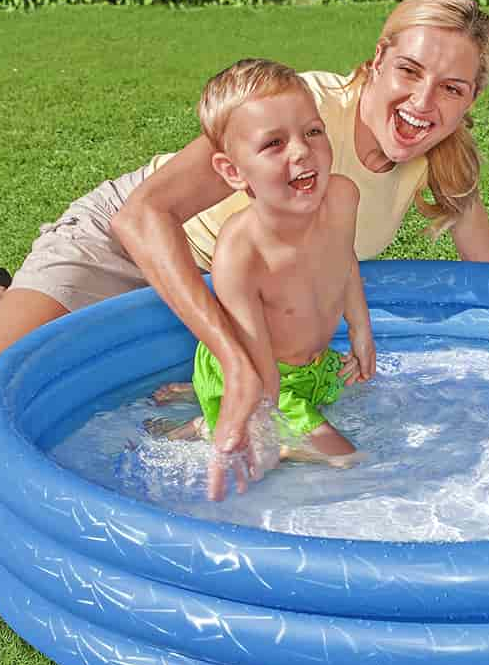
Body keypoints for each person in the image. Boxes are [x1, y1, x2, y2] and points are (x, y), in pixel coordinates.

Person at [0, 0, 489, 489]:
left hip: (233, 293)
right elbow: (143, 216)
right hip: (128, 245)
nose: (423, 102)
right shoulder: (301, 110)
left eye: (451, 87)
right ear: (378, 58)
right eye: (409, 71)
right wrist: (233, 360)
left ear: (472, 97)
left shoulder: (441, 159)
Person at [149, 58, 373, 498]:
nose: (302, 151)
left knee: (343, 397)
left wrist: (360, 329)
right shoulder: (240, 253)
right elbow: (258, 372)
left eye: (313, 131)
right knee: (347, 460)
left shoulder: (342, 196)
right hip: (262, 373)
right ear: (233, 171)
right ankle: (210, 420)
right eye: (274, 143)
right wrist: (259, 427)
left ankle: (205, 413)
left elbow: (344, 261)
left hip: (312, 365)